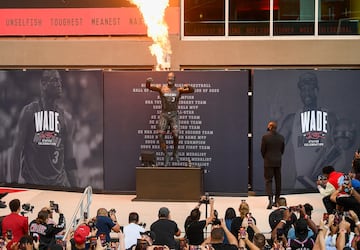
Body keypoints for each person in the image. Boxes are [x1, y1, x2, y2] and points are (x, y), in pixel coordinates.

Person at [10, 69, 78, 187]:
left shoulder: (66, 118)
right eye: (55, 80)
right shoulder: (29, 112)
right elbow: (16, 151)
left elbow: (70, 160)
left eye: (60, 80)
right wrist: (14, 185)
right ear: (43, 84)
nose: (59, 84)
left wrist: (77, 189)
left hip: (58, 185)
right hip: (33, 185)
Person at [276, 72, 337, 189]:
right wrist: (275, 120)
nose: (306, 94)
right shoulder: (292, 119)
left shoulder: (329, 117)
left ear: (317, 90)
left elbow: (339, 150)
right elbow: (276, 147)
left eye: (310, 89)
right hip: (301, 183)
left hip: (325, 183)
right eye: (303, 90)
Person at [146, 72, 195, 166]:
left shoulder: (179, 90)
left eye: (172, 78)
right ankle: (166, 154)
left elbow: (192, 90)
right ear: (166, 79)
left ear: (175, 79)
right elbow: (149, 87)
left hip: (174, 115)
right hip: (164, 114)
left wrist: (188, 85)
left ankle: (175, 152)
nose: (170, 80)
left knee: (176, 135)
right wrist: (147, 82)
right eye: (169, 78)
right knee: (160, 136)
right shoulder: (161, 88)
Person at [261, 121, 285, 209]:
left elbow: (262, 150)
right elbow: (282, 150)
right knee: (278, 181)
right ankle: (277, 200)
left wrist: (266, 157)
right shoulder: (281, 137)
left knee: (268, 181)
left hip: (268, 161)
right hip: (278, 161)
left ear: (270, 127)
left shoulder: (265, 137)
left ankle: (270, 199)